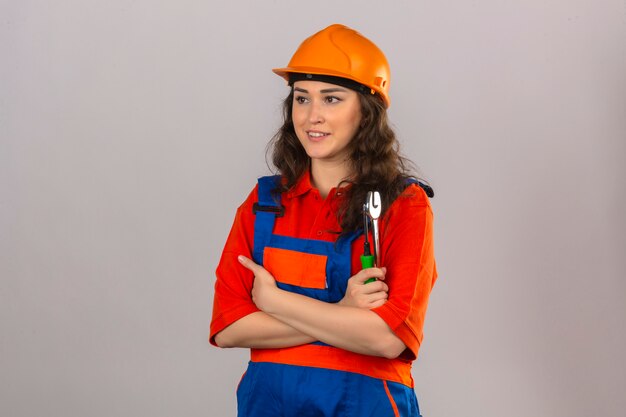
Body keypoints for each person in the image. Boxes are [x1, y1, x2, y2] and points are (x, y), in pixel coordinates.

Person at [210, 24, 437, 417]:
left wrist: (273, 302)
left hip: (366, 404)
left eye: (331, 99)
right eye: (302, 98)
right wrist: (344, 309)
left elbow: (387, 339)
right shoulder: (264, 203)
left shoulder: (404, 205)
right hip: (268, 404)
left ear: (367, 111)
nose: (312, 116)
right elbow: (229, 329)